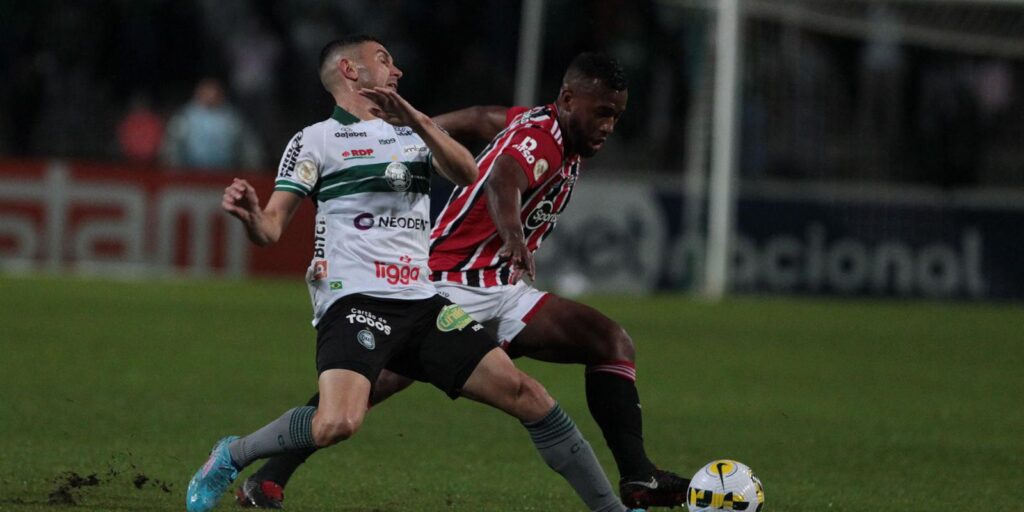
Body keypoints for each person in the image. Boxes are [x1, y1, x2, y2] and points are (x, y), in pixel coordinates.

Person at [184, 35, 634, 512]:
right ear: (350, 71)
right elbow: (271, 228)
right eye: (384, 60)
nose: (396, 71)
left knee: (528, 395)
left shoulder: (410, 135)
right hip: (356, 299)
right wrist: (253, 216)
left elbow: (466, 172)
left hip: (423, 301)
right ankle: (232, 454)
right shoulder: (314, 140)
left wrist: (417, 121)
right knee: (338, 423)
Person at [160, 78, 264, 170]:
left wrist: (251, 170)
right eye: (206, 91)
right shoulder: (185, 117)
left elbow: (248, 146)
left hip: (226, 173)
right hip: (190, 173)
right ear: (198, 93)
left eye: (214, 91)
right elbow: (172, 146)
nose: (210, 95)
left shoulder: (232, 118)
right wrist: (174, 170)